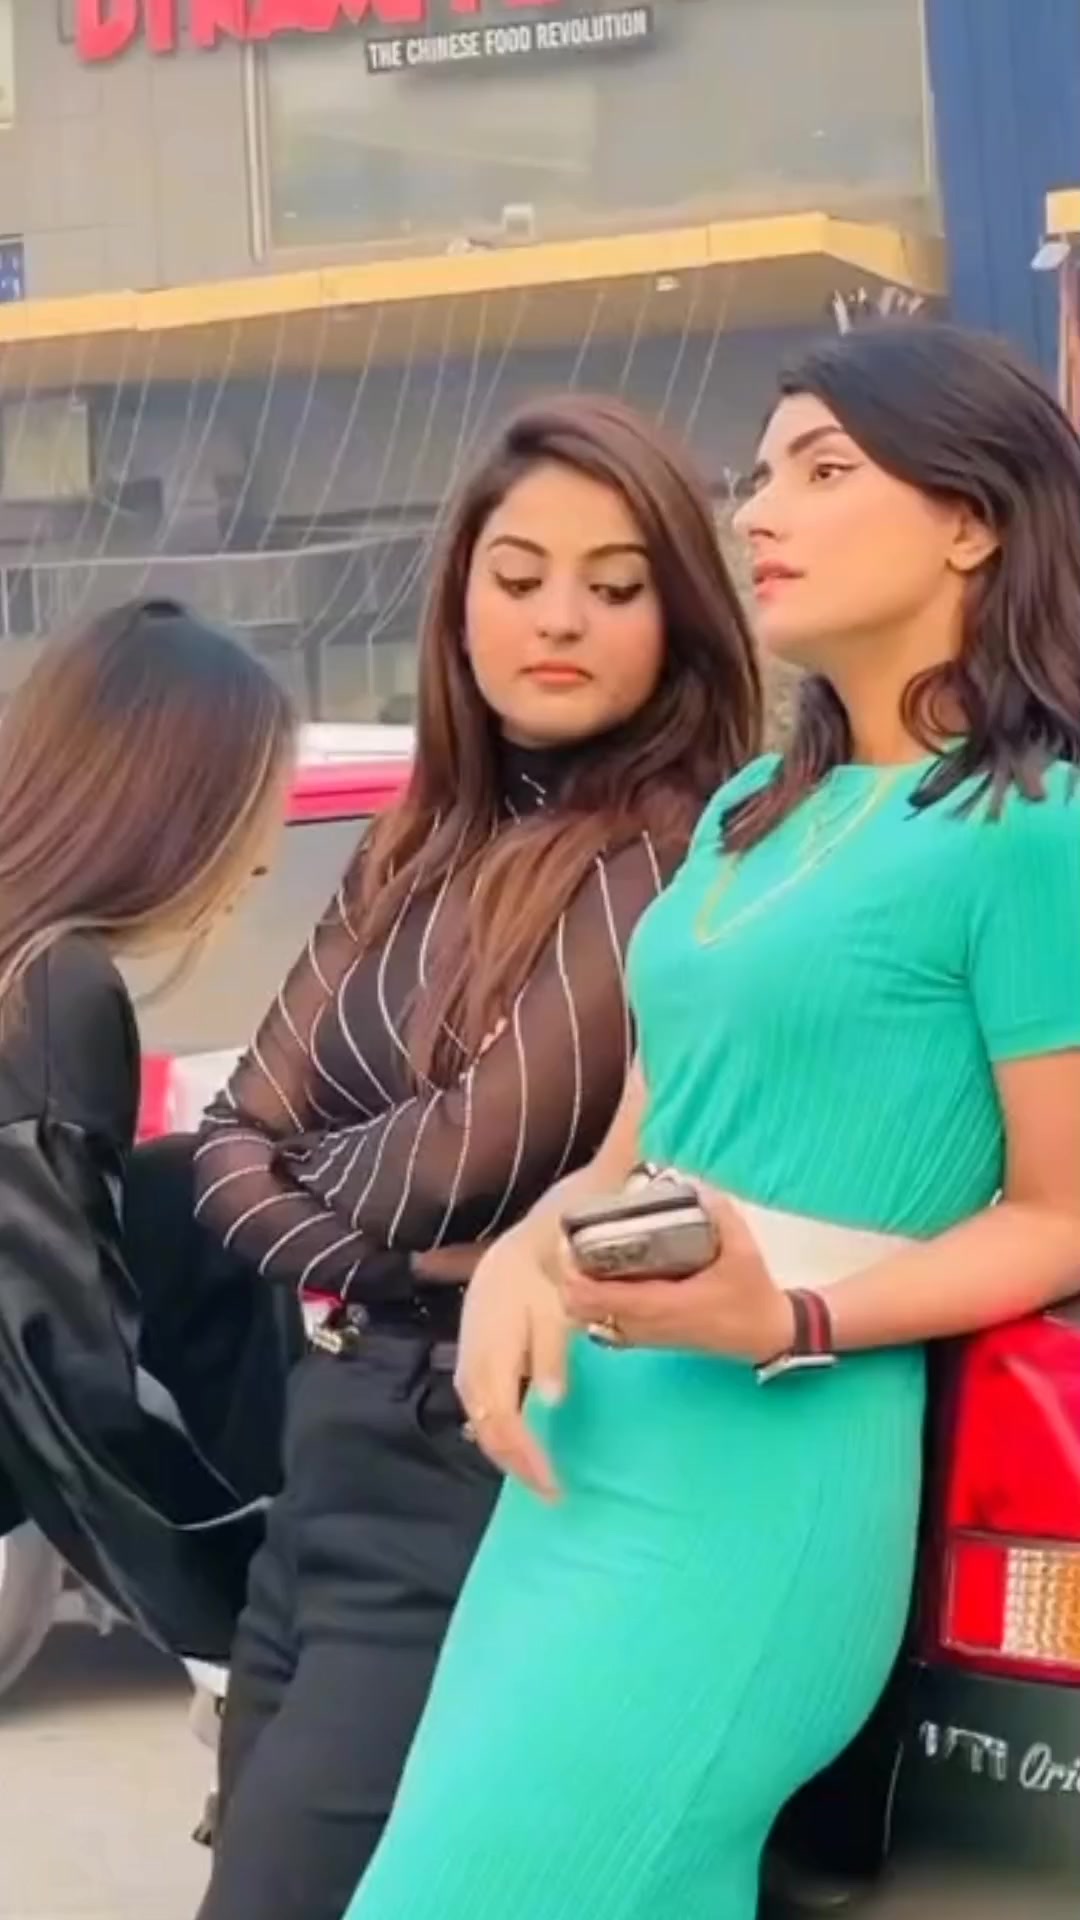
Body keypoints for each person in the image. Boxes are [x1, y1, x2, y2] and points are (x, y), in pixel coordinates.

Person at [343, 322, 1080, 1920]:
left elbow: (1060, 1213)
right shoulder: (754, 810)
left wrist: (795, 1317)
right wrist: (524, 1260)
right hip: (583, 1454)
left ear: (973, 521)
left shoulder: (1034, 828)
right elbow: (635, 1150)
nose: (758, 512)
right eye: (761, 475)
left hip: (766, 1468)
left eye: (823, 470)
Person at [192, 394, 763, 1920]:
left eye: (615, 585)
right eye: (518, 578)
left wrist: (338, 1204)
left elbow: (464, 1153)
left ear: (679, 619)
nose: (558, 619)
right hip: (335, 1442)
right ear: (458, 600)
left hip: (490, 1454)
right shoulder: (417, 842)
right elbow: (231, 1138)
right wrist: (390, 1261)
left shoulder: (677, 854)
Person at [0, 598, 294, 1662]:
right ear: (182, 807)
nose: (263, 855)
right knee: (214, 1202)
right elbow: (65, 1361)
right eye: (258, 805)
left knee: (189, 1190)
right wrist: (255, 1606)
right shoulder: (52, 990)